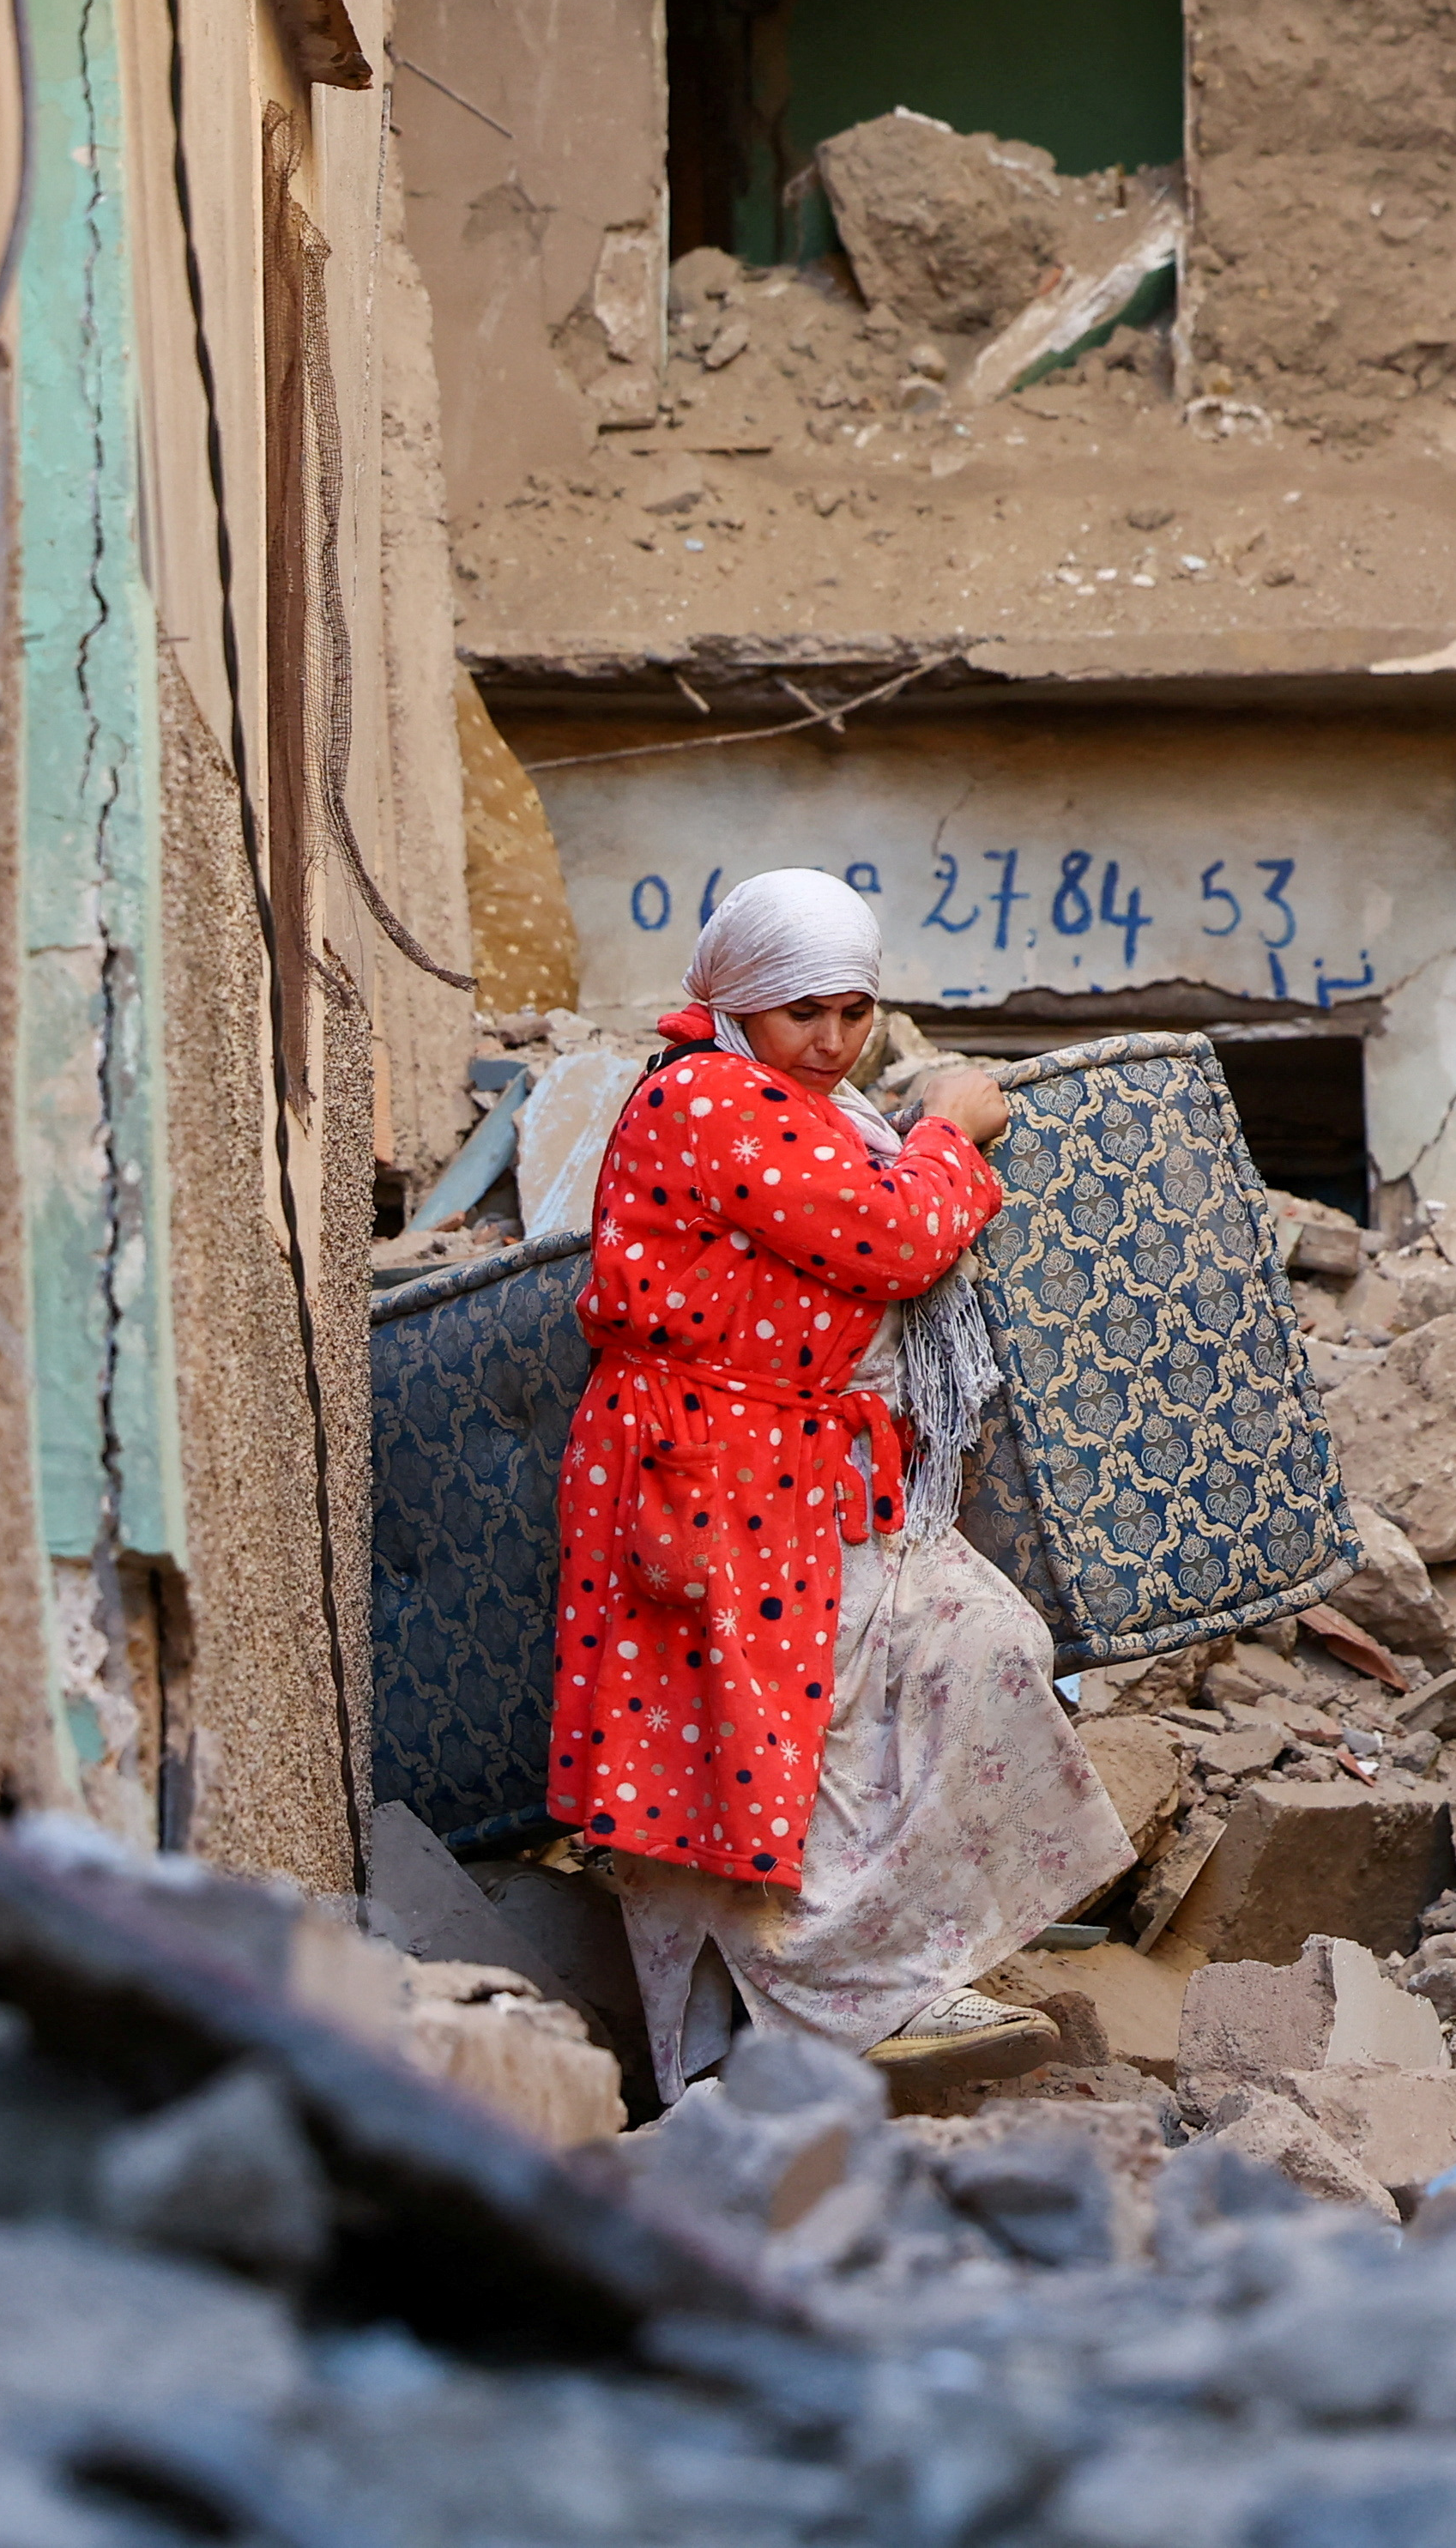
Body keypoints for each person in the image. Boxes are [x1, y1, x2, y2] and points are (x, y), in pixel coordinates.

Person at [549, 868, 1133, 2097]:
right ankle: (790, 2037)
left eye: (853, 1008)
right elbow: (895, 1237)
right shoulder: (710, 1097)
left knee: (946, 1666)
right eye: (800, 1008)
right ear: (739, 999)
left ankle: (869, 1990)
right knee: (732, 1763)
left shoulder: (792, 1101)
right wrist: (947, 1129)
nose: (830, 1037)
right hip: (699, 1471)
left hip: (797, 1468)